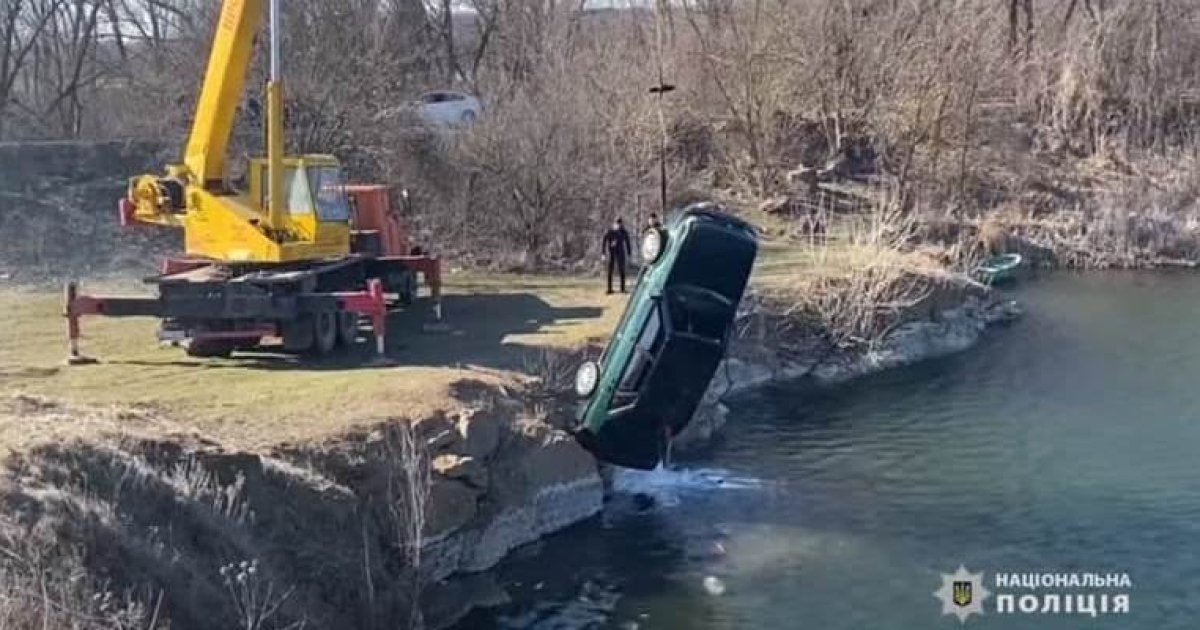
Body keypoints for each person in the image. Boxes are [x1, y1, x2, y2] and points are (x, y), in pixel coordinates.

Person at [603, 217, 632, 294]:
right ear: (615, 223)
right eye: (617, 224)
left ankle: (622, 289)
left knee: (621, 270)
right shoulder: (610, 231)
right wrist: (603, 253)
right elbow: (604, 240)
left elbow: (627, 242)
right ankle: (609, 289)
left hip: (620, 252)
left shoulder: (623, 231)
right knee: (610, 270)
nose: (619, 225)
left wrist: (629, 253)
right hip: (611, 252)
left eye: (620, 224)